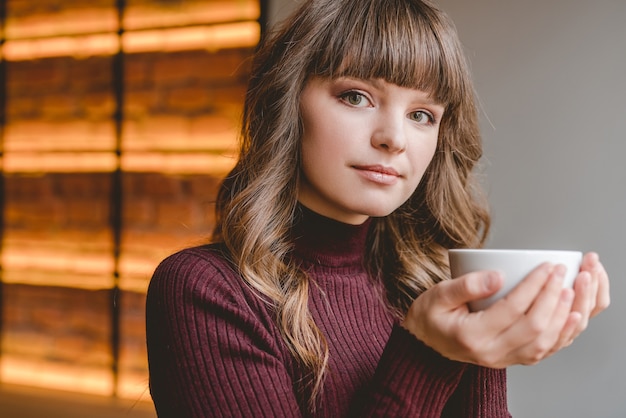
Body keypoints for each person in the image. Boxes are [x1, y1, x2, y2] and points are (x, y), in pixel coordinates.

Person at [145, 0, 610, 416]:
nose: (394, 138)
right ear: (286, 103)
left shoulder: (431, 290)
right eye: (356, 97)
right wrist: (431, 352)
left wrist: (484, 346)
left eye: (421, 115)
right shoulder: (205, 291)